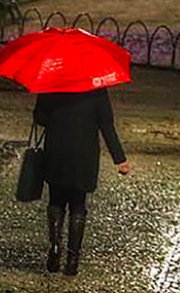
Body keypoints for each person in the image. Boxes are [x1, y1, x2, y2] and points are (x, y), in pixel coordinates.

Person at [33, 87, 131, 276]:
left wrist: (57, 118)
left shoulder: (51, 84)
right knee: (78, 203)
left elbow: (39, 116)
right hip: (84, 153)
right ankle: (72, 260)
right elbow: (106, 125)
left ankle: (54, 249)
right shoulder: (96, 89)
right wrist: (119, 158)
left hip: (57, 149)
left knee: (56, 200)